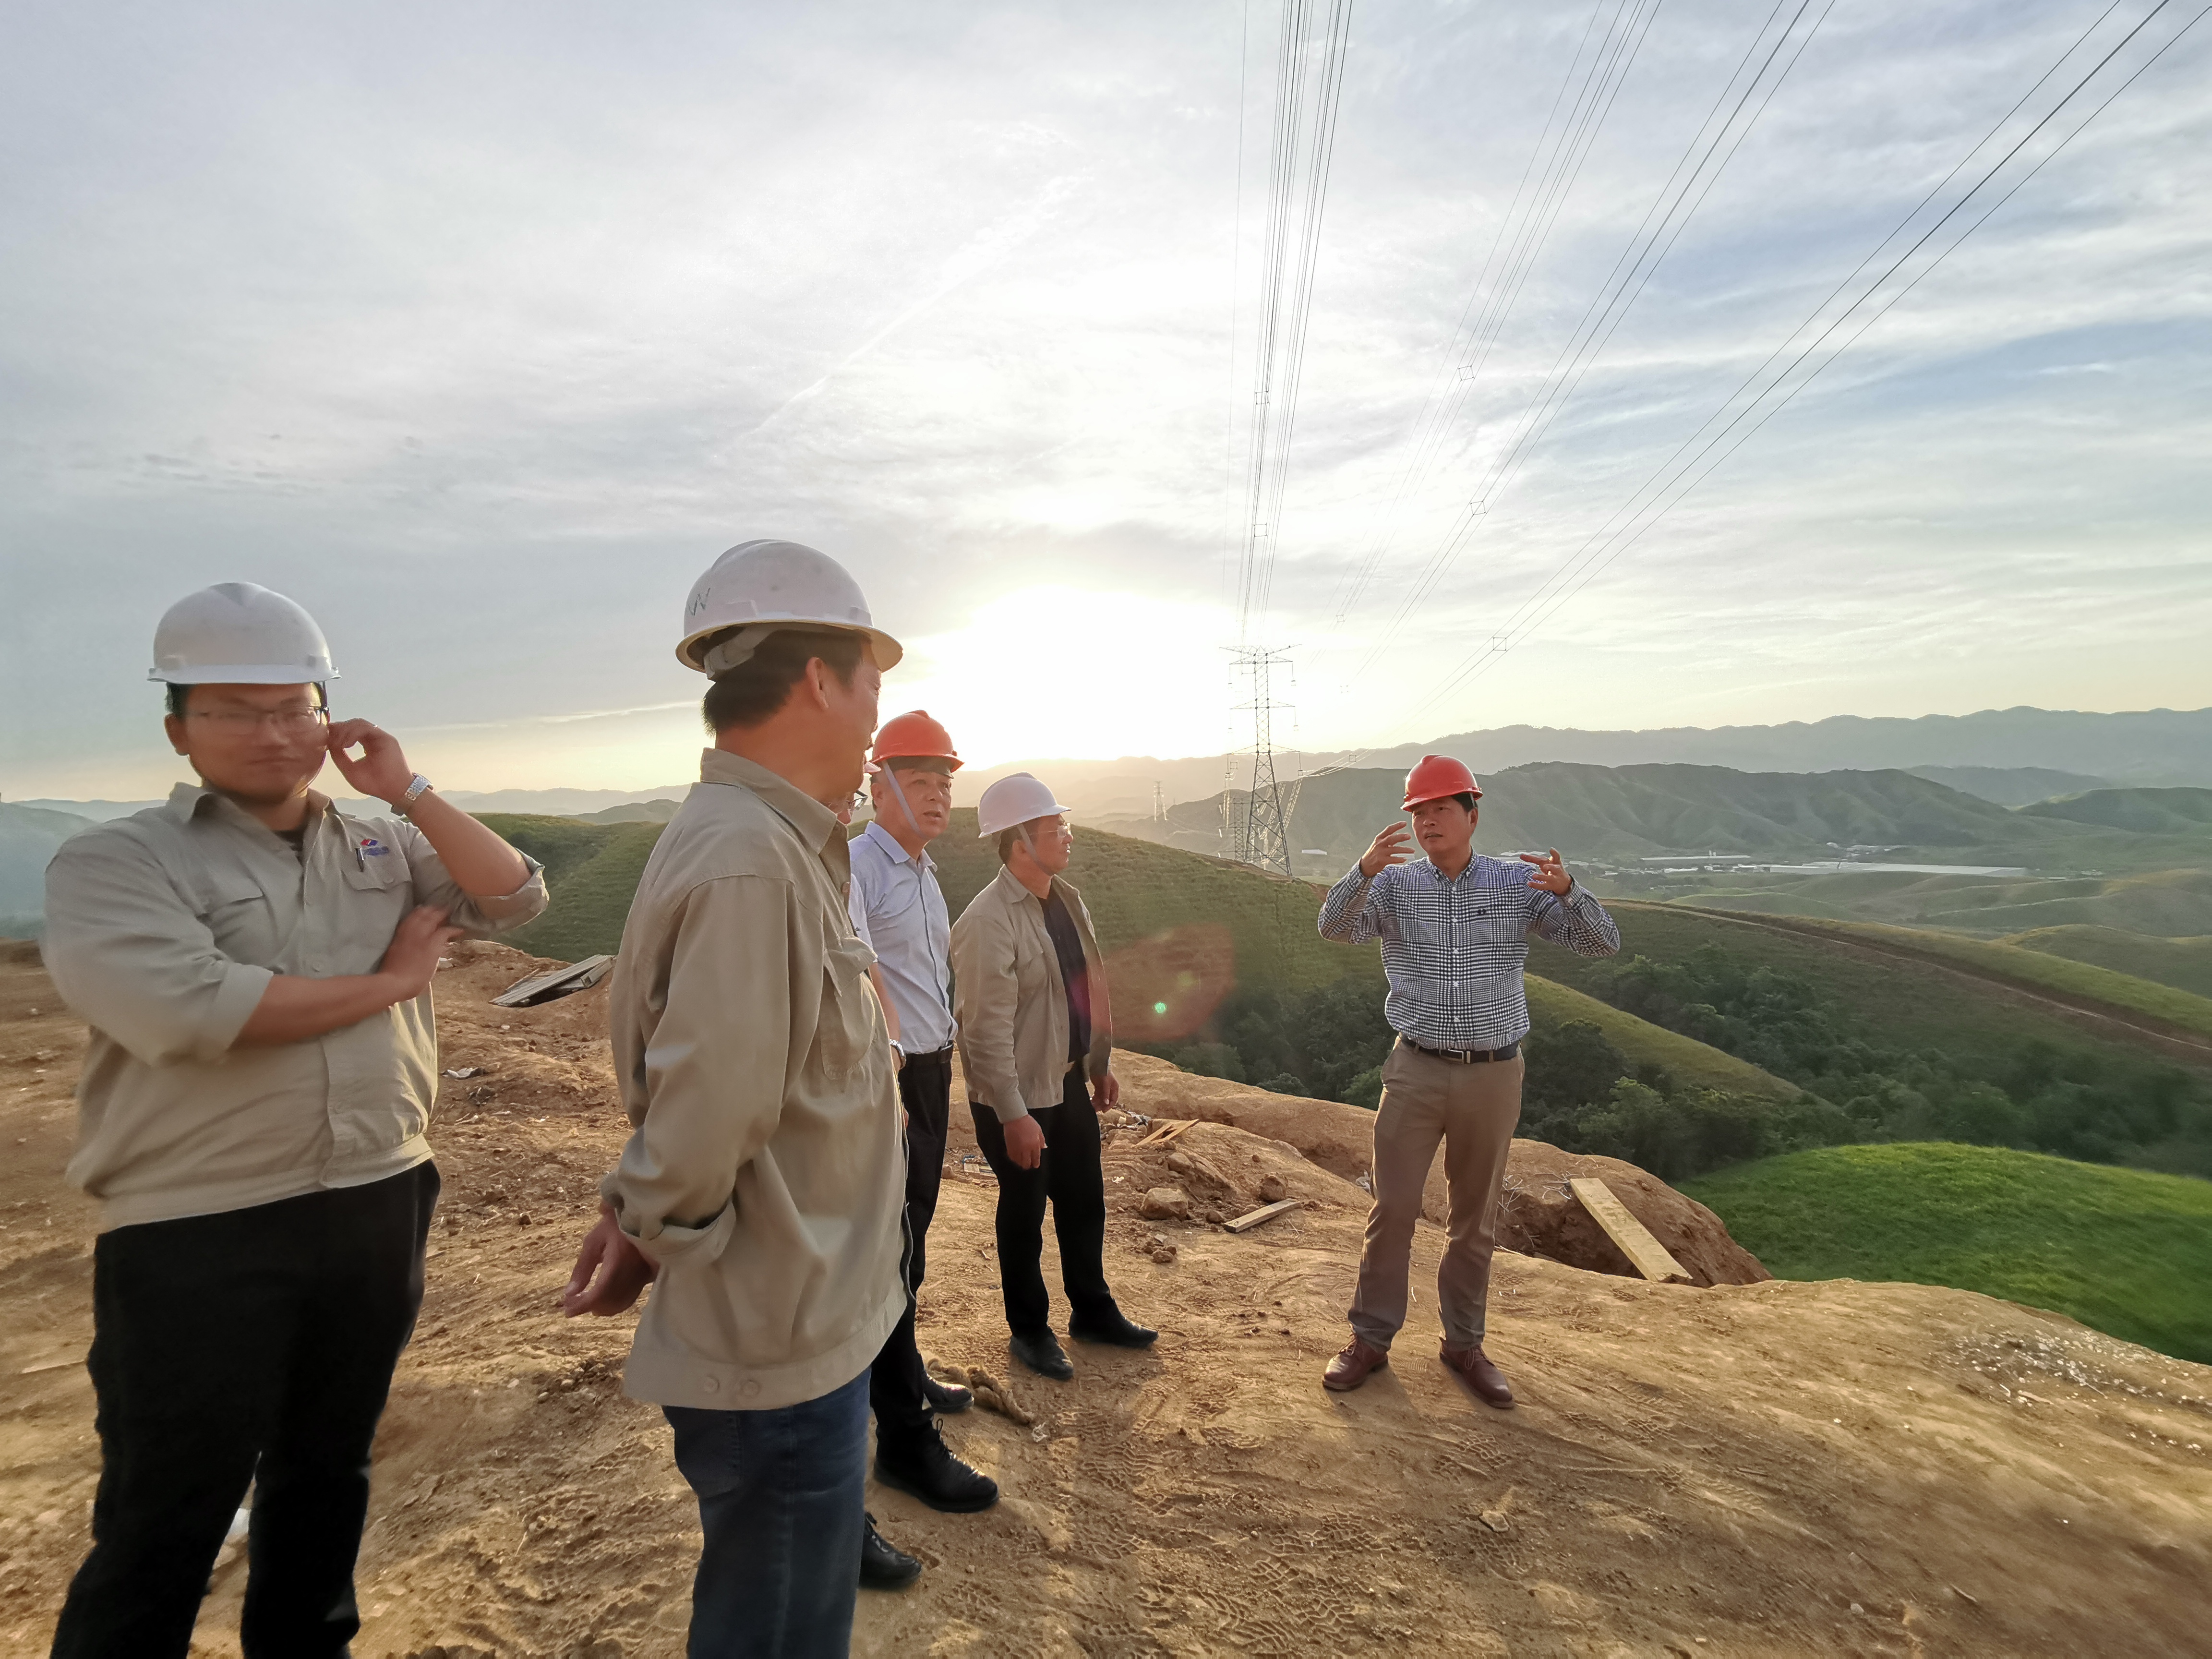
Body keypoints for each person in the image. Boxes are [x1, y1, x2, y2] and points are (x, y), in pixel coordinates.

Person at [42, 581, 547, 1659]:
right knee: (169, 1504)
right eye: (234, 709)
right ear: (179, 729)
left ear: (328, 718)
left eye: (294, 708)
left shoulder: (380, 838)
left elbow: (512, 897)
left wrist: (408, 788)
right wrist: (392, 983)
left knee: (328, 1468)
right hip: (199, 1220)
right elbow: (189, 1010)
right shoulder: (118, 861)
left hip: (378, 1192)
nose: (272, 732)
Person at [560, 540, 909, 1659]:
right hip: (777, 1344)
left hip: (798, 1325)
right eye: (870, 684)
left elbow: (722, 1074)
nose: (875, 719)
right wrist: (649, 1220)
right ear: (818, 679)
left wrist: (635, 1207)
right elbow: (712, 1110)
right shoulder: (753, 863)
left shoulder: (765, 843)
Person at [1315, 755, 1620, 1407]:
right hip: (1415, 1069)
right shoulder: (1394, 886)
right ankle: (1370, 1340)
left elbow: (1601, 945)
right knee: (1392, 1209)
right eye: (1418, 812)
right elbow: (1334, 928)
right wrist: (1362, 871)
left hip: (1492, 1073)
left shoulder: (1516, 883)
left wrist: (1570, 891)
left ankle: (1464, 1344)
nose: (1427, 822)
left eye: (1441, 809)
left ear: (1472, 815)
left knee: (1474, 1220)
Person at [950, 772, 1154, 1382]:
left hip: (1064, 1083)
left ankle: (1093, 1311)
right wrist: (1013, 1114)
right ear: (1019, 843)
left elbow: (1083, 988)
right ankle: (1030, 1330)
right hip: (1015, 1094)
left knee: (1084, 1200)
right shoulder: (987, 922)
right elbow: (983, 1029)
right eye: (1054, 828)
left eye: (1064, 825)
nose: (1068, 835)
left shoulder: (1067, 900)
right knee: (1024, 1210)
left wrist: (1098, 1063)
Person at [847, 715, 998, 1531]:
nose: (939, 794)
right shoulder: (859, 867)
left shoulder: (924, 871)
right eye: (920, 780)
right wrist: (894, 1074)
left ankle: (903, 1373)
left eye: (945, 780)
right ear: (880, 788)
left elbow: (927, 977)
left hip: (931, 1070)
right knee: (889, 1247)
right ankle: (903, 1438)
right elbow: (860, 974)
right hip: (895, 1076)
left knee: (911, 1241)